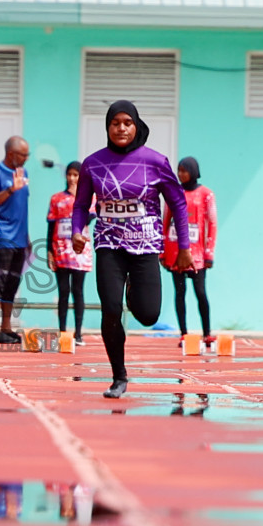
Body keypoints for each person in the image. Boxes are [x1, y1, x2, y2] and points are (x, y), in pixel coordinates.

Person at [72, 102, 193, 398]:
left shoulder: (155, 161)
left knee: (149, 314)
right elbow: (80, 204)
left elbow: (177, 202)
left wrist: (185, 247)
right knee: (111, 310)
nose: (121, 128)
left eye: (127, 122)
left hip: (145, 246)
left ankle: (132, 289)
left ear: (136, 126)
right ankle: (118, 376)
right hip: (108, 245)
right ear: (107, 127)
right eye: (115, 122)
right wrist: (78, 231)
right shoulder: (92, 164)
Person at [162, 156, 217, 348]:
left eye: (185, 170)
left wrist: (209, 253)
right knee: (180, 293)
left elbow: (212, 224)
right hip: (175, 252)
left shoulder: (206, 194)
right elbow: (165, 221)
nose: (181, 174)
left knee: (200, 292)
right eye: (179, 170)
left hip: (197, 254)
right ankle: (183, 334)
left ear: (194, 171)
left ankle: (207, 333)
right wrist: (162, 251)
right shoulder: (173, 192)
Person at [0, 137, 32, 344]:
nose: (26, 159)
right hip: (1, 235)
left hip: (20, 238)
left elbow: (22, 207)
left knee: (13, 282)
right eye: (23, 155)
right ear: (11, 154)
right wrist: (11, 189)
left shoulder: (24, 174)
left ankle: (6, 327)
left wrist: (27, 236)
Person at [46, 161, 91, 346]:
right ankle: (63, 332)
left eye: (76, 175)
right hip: (61, 250)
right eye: (69, 174)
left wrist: (77, 196)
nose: (72, 178)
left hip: (80, 251)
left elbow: (90, 218)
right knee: (63, 291)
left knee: (78, 291)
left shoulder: (88, 198)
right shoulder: (56, 199)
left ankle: (78, 333)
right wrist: (49, 251)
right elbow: (51, 226)